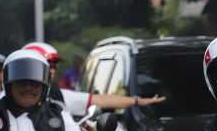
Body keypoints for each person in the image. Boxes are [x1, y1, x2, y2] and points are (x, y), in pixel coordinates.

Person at [23, 42, 165, 118]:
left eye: (54, 66)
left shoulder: (57, 99)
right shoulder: (4, 105)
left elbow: (100, 100)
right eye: (47, 65)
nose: (52, 70)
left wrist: (138, 101)